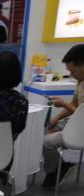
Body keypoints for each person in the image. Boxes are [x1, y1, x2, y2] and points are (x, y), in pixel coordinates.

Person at [42, 44, 84, 188]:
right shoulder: (80, 81)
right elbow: (74, 105)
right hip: (75, 123)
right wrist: (55, 119)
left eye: (73, 71)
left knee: (48, 142)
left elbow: (76, 110)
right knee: (48, 129)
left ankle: (55, 171)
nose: (72, 75)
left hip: (81, 128)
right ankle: (60, 167)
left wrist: (64, 104)